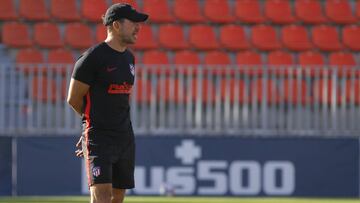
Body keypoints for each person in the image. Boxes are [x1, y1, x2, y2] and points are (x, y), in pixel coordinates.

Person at [67, 3, 148, 203]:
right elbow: (74, 98)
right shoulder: (92, 58)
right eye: (133, 23)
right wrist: (90, 127)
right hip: (99, 138)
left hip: (125, 137)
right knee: (102, 198)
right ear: (116, 25)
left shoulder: (129, 59)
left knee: (117, 198)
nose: (139, 28)